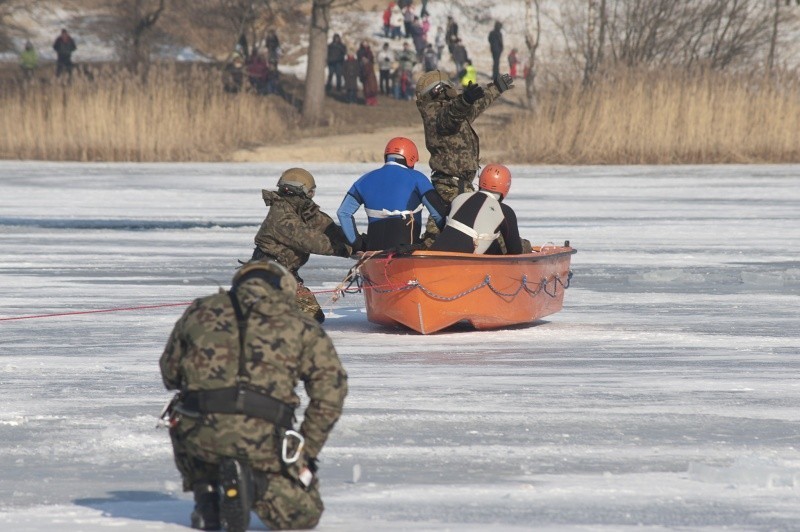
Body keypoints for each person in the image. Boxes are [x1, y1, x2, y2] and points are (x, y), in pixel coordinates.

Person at [160, 259, 348, 531]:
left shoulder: (200, 311)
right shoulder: (300, 325)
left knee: (184, 415)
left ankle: (207, 493)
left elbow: (170, 374)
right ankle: (256, 483)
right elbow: (331, 391)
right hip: (264, 438)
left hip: (199, 434)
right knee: (304, 513)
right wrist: (305, 450)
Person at [414, 69, 515, 245]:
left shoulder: (454, 112)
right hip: (453, 185)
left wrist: (496, 88)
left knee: (440, 227)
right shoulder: (436, 114)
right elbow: (449, 118)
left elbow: (476, 105)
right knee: (472, 222)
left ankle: (429, 252)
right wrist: (464, 100)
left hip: (453, 183)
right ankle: (499, 249)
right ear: (440, 90)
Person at [251, 168, 353, 323]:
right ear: (300, 192)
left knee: (313, 317)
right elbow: (314, 242)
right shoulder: (282, 217)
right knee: (307, 319)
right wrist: (350, 250)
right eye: (311, 192)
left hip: (286, 273)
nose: (312, 196)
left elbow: (327, 228)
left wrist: (359, 241)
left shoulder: (302, 209)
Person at [337, 137, 448, 252]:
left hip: (374, 249)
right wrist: (448, 240)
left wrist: (357, 244)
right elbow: (438, 214)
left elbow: (343, 213)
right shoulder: (417, 178)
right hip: (404, 250)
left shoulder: (363, 180)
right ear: (411, 158)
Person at [430, 164, 523, 255]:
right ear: (506, 187)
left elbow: (443, 227)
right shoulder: (505, 211)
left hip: (435, 253)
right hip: (463, 262)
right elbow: (515, 251)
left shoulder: (459, 197)